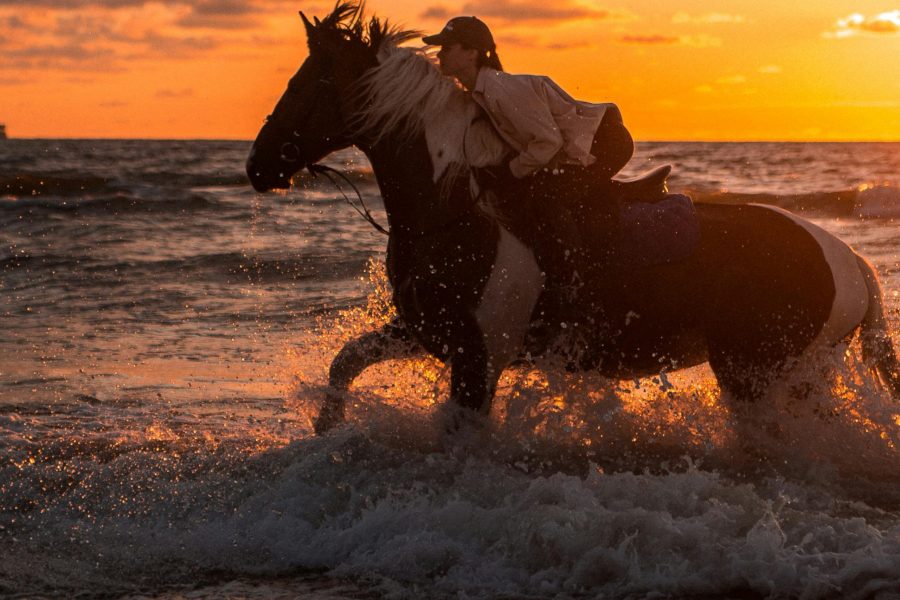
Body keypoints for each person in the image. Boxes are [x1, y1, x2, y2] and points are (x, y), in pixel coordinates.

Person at [423, 16, 634, 344]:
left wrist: (511, 173)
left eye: (446, 48)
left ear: (472, 53)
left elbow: (546, 142)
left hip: (607, 143)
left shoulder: (501, 90)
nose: (440, 55)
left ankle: (572, 290)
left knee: (546, 199)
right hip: (581, 146)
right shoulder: (482, 92)